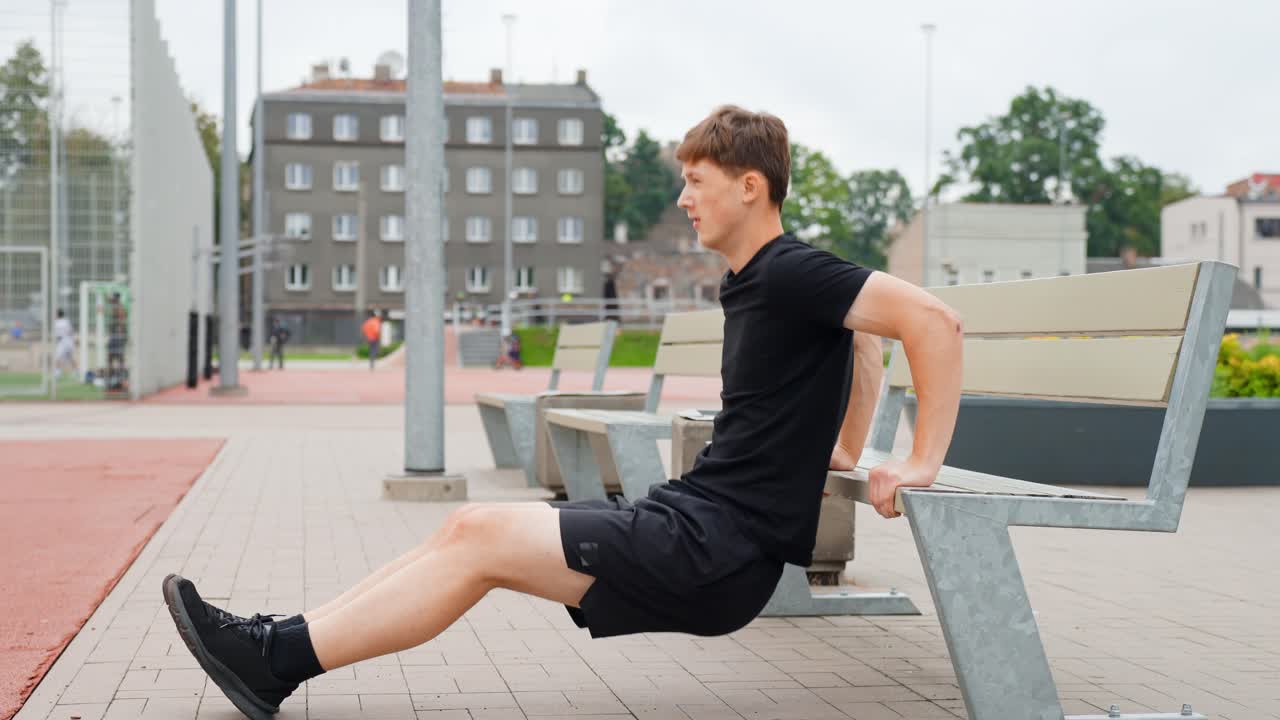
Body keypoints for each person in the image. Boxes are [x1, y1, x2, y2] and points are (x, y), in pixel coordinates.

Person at [162, 105, 965, 720]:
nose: (684, 198)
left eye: (697, 180)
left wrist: (919, 459)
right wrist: (847, 445)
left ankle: (273, 658)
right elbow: (865, 341)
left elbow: (932, 322)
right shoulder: (763, 279)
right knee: (464, 533)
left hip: (718, 548)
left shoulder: (789, 269)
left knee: (478, 536)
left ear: (750, 186)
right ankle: (274, 644)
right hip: (701, 525)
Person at [52, 309, 77, 380]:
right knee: (70, 357)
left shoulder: (57, 323)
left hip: (62, 341)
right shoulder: (66, 321)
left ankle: (57, 373)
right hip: (69, 341)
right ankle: (75, 371)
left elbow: (58, 334)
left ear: (58, 314)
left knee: (58, 357)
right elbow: (70, 331)